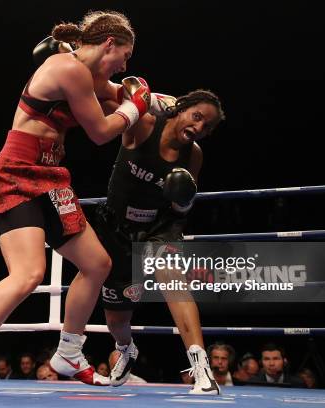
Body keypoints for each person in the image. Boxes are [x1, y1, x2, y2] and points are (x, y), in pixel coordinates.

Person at [0, 10, 151, 395]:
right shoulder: (67, 68)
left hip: (50, 175)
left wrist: (150, 96)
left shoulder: (90, 75)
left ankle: (69, 352)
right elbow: (102, 131)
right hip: (18, 171)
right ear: (109, 44)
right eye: (125, 55)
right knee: (28, 273)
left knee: (96, 264)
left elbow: (124, 92)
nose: (125, 64)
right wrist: (134, 107)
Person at [91, 88, 225, 395]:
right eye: (197, 117)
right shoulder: (144, 125)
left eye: (208, 126)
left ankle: (201, 367)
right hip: (117, 228)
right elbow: (103, 93)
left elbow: (181, 207)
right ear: (181, 109)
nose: (200, 127)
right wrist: (146, 97)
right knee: (116, 318)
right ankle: (126, 348)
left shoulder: (194, 156)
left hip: (159, 227)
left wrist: (183, 198)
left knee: (173, 281)